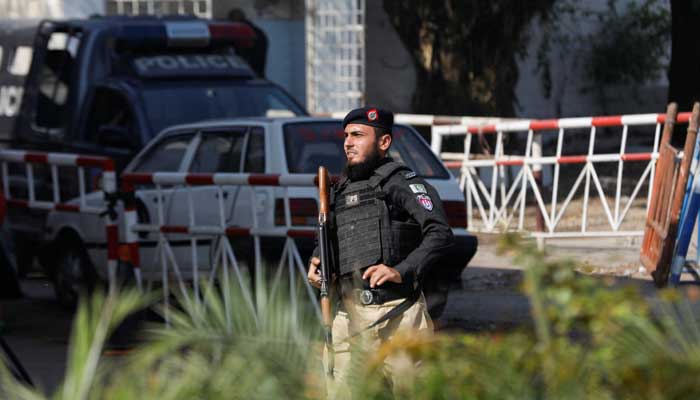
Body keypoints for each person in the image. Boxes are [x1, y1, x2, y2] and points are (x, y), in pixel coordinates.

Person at [307, 106, 454, 398]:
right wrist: (319, 261)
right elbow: (332, 239)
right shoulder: (340, 190)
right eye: (346, 135)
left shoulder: (401, 182)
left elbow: (439, 233)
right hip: (347, 317)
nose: (348, 142)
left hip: (399, 316)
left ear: (384, 143)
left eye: (358, 135)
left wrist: (401, 270)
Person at [227, 8, 268, 77]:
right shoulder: (257, 31)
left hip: (247, 74)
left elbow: (245, 57)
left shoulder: (243, 33)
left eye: (230, 22)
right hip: (256, 74)